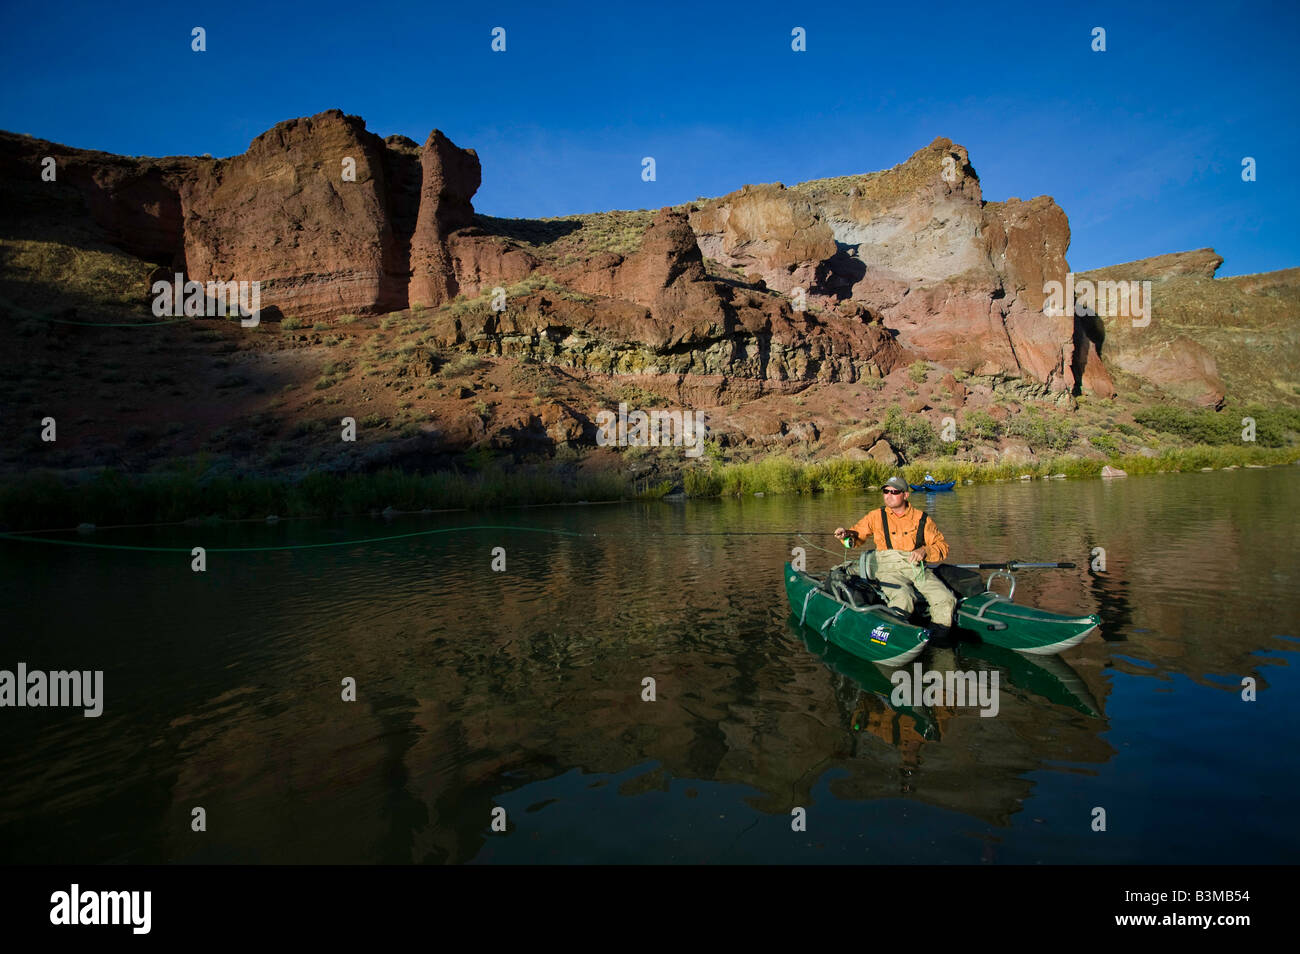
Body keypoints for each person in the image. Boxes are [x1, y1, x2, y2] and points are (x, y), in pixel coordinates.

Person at [834, 475, 958, 648]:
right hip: (887, 567)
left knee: (945, 598)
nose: (888, 495)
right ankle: (892, 642)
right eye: (886, 491)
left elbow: (942, 547)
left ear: (905, 495)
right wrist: (846, 535)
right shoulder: (875, 516)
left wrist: (925, 551)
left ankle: (936, 642)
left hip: (916, 567)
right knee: (904, 597)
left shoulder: (922, 518)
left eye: (894, 492)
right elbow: (855, 538)